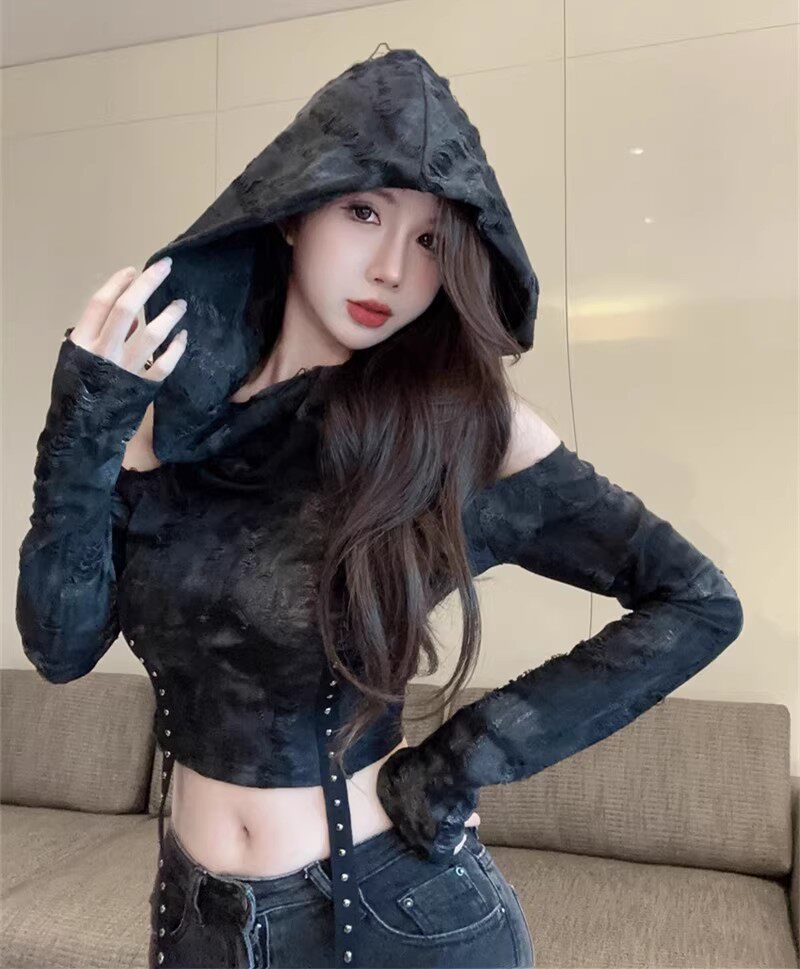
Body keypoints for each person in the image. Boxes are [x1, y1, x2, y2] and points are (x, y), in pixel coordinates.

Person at [16, 48, 744, 969]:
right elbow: (61, 648)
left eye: (432, 239)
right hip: (195, 917)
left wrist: (463, 759)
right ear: (293, 211)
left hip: (388, 914)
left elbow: (696, 601)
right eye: (363, 213)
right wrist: (84, 422)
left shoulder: (459, 430)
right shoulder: (167, 417)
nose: (393, 268)